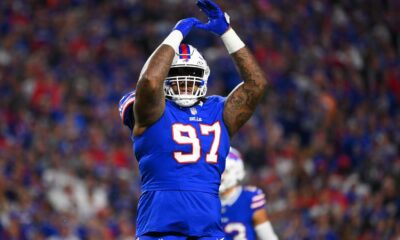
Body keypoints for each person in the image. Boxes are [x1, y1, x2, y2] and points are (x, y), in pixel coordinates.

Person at [125, 0, 267, 238]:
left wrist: (227, 33)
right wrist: (175, 35)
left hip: (207, 228)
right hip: (161, 228)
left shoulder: (218, 110)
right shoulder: (153, 109)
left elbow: (256, 85)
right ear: (164, 76)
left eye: (192, 76)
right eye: (177, 75)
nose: (185, 83)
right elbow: (149, 82)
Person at [220, 147, 279, 240]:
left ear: (235, 171)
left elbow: (268, 236)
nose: (218, 176)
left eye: (223, 171)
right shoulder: (204, 200)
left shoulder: (249, 198)